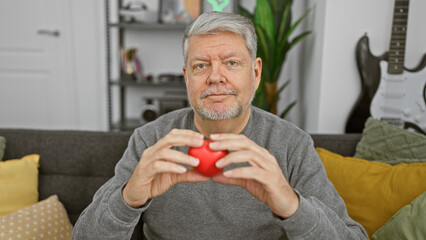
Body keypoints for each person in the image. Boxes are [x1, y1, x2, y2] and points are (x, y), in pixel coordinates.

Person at [72, 12, 368, 239]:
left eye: (231, 63)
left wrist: (291, 204)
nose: (215, 77)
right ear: (187, 77)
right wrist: (128, 198)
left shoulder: (291, 144)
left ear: (255, 72)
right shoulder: (151, 140)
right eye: (201, 66)